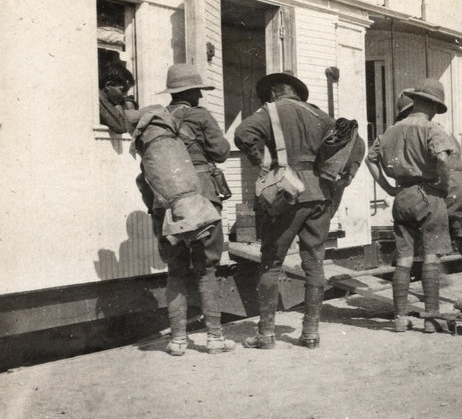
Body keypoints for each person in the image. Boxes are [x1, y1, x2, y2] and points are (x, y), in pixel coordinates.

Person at [235, 71, 345, 349]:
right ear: (295, 92)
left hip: (287, 193)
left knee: (271, 261)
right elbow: (351, 147)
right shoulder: (321, 116)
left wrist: (261, 163)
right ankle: (310, 333)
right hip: (319, 192)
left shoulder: (272, 110)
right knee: (314, 262)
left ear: (273, 93)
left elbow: (243, 133)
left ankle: (266, 334)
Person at [369, 92, 462, 297]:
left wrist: (393, 187)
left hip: (444, 186)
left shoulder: (405, 131)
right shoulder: (437, 131)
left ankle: (433, 282)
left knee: (426, 239)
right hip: (461, 185)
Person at [152, 64, 233, 356]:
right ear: (190, 92)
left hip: (166, 201)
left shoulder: (156, 120)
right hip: (201, 198)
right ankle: (214, 338)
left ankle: (176, 341)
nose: (200, 94)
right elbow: (221, 152)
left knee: (174, 271)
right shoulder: (199, 116)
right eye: (198, 89)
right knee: (206, 268)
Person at [365, 78, 456, 333]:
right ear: (435, 107)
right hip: (429, 195)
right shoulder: (432, 130)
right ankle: (430, 319)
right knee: (430, 258)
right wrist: (442, 184)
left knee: (403, 260)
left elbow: (370, 159)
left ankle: (400, 319)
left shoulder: (390, 131)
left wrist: (387, 188)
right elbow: (442, 160)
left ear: (414, 100)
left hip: (402, 197)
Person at [98, 61, 138, 134]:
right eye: (123, 90)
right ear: (108, 85)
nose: (125, 95)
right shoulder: (99, 97)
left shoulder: (111, 98)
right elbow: (121, 127)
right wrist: (118, 104)